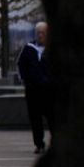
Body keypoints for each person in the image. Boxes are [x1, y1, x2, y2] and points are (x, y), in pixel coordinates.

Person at [17, 21, 53, 154]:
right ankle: (39, 144)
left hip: (50, 90)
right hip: (33, 90)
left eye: (43, 32)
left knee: (52, 118)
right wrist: (25, 79)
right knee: (35, 118)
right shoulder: (29, 48)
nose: (40, 35)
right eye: (38, 33)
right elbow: (21, 64)